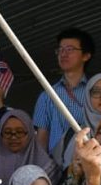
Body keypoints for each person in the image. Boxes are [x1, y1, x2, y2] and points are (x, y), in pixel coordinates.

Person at [32, 27, 96, 169]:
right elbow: (41, 143)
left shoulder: (96, 92)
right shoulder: (47, 95)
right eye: (60, 50)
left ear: (86, 55)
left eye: (70, 49)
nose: (63, 54)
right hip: (58, 170)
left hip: (90, 165)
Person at [0, 110, 53, 185]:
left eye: (20, 132)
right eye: (7, 132)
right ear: (0, 135)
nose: (14, 137)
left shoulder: (47, 168)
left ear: (30, 133)